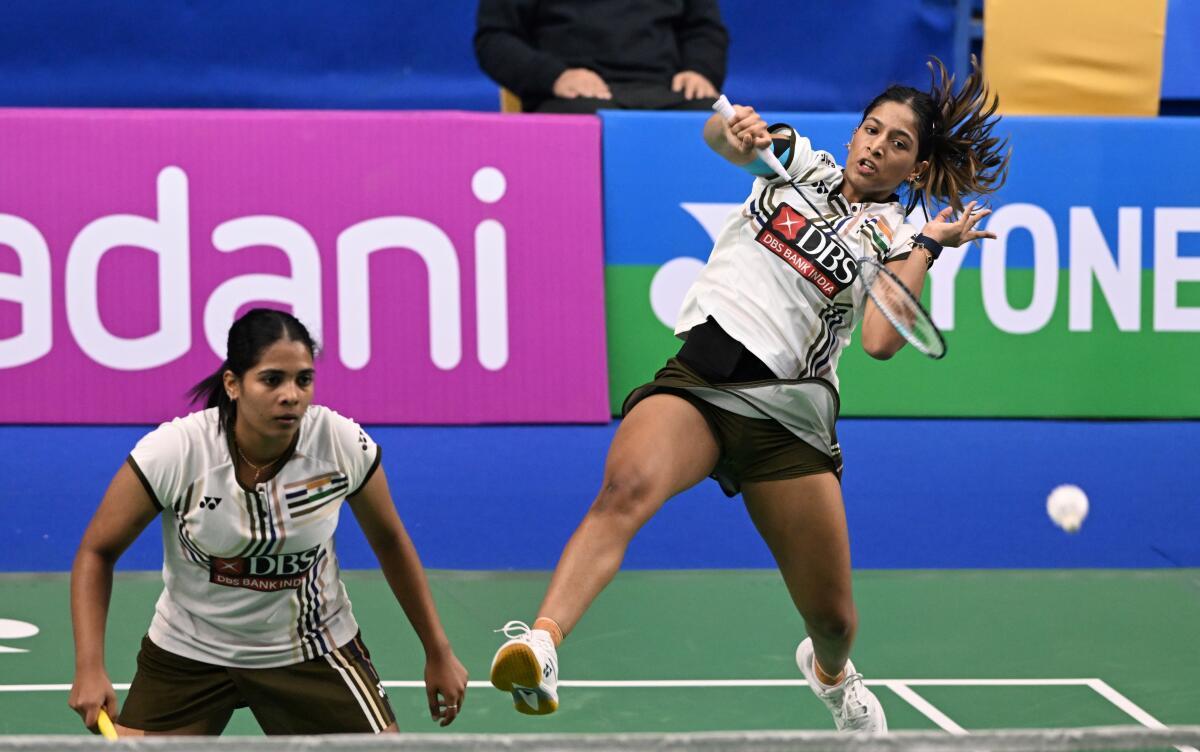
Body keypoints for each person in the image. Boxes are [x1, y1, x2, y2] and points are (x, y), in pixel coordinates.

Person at [488, 58, 1009, 731]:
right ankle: (542, 643)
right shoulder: (801, 163)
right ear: (853, 135)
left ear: (914, 168)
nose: (877, 147)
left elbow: (881, 340)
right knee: (624, 491)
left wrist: (932, 246)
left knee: (832, 617)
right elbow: (722, 140)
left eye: (898, 144)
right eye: (871, 130)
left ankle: (832, 676)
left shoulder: (897, 239)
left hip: (788, 421)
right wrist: (734, 132)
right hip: (701, 382)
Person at [68, 308, 468, 736]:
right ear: (233, 384)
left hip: (309, 646)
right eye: (272, 379)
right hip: (192, 648)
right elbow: (97, 550)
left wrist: (438, 650)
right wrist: (89, 667)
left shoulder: (340, 446)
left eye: (304, 379)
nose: (292, 395)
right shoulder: (177, 452)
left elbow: (390, 541)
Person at [474, 0, 727, 114]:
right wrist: (554, 76)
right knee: (579, 123)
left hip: (666, 93)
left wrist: (700, 69)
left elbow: (704, 29)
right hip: (574, 98)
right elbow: (495, 38)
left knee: (718, 126)